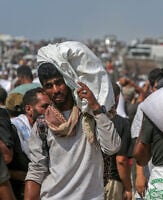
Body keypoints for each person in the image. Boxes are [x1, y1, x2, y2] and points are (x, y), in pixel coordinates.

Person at [24, 62, 121, 199]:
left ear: (68, 82)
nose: (56, 89)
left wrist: (95, 107)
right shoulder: (42, 125)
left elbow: (112, 147)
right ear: (44, 90)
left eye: (59, 83)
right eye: (49, 86)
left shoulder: (90, 117)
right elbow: (36, 170)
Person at [131, 68, 163, 199]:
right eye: (158, 87)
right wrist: (140, 175)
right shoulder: (143, 108)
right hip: (149, 176)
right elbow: (138, 143)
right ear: (152, 89)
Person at [104, 82, 132, 200]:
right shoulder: (123, 123)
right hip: (113, 183)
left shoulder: (89, 120)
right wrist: (128, 188)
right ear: (117, 98)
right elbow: (121, 160)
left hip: (90, 181)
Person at [11, 87, 52, 159]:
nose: (50, 111)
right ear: (28, 109)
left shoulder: (48, 126)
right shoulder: (14, 127)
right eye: (44, 107)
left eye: (51, 106)